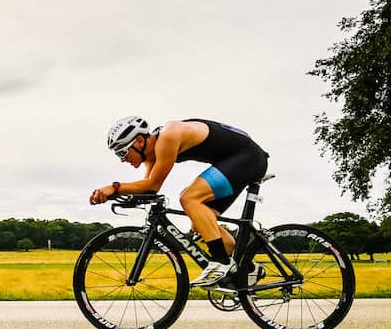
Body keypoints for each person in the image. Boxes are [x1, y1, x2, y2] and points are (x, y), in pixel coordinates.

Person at [90, 116, 269, 286]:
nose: (122, 159)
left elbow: (153, 184)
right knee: (201, 224)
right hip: (235, 161)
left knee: (189, 198)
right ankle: (249, 269)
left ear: (138, 141)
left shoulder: (169, 135)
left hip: (247, 157)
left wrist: (114, 187)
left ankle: (220, 262)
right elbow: (147, 189)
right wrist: (115, 195)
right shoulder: (151, 153)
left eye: (122, 151)